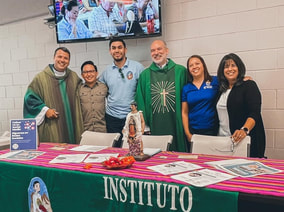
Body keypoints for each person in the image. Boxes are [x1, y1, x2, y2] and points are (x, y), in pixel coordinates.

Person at [135, 40, 188, 152]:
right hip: (154, 125)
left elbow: (189, 98)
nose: (156, 52)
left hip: (177, 123)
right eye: (153, 50)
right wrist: (145, 127)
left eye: (159, 49)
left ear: (167, 51)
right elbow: (141, 101)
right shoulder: (145, 75)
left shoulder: (181, 71)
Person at [23, 47, 83, 144]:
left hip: (71, 123)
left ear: (69, 61)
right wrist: (45, 110)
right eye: (59, 57)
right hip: (52, 125)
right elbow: (29, 99)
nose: (62, 60)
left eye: (66, 58)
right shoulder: (41, 78)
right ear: (54, 58)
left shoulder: (73, 77)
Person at [216, 53, 266, 158]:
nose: (230, 69)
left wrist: (244, 130)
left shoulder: (249, 85)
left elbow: (255, 112)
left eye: (233, 65)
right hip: (223, 139)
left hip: (243, 139)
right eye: (226, 66)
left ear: (239, 67)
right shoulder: (220, 89)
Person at [99, 38, 144, 147]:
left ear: (125, 50)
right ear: (110, 51)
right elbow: (99, 89)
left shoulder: (137, 68)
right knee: (115, 150)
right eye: (113, 48)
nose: (117, 50)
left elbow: (144, 91)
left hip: (131, 117)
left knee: (133, 149)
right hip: (112, 118)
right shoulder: (106, 72)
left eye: (120, 47)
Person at [181, 55, 219, 146]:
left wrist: (244, 79)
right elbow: (184, 112)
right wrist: (187, 133)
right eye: (191, 65)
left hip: (212, 129)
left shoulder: (215, 81)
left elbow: (230, 82)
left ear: (203, 65)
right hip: (194, 130)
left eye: (197, 63)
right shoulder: (186, 88)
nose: (194, 67)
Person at [80, 61, 108, 132]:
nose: (89, 74)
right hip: (85, 130)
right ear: (82, 75)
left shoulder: (104, 87)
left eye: (91, 71)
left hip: (102, 129)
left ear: (96, 73)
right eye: (85, 72)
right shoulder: (79, 89)